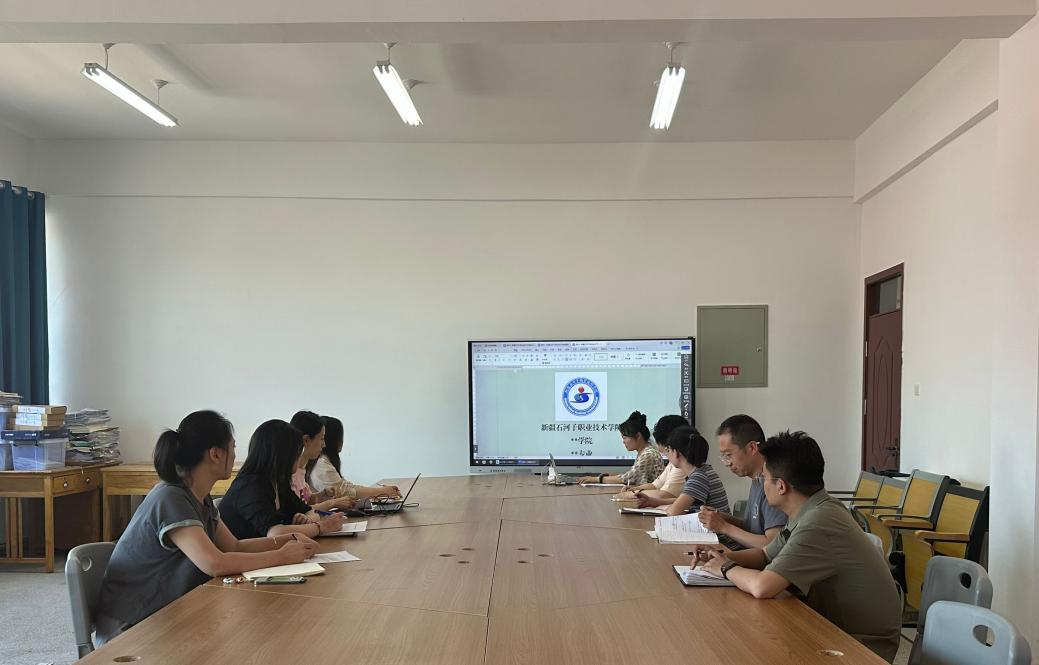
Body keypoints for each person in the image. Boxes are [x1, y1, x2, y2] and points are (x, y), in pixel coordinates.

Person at [94, 411, 318, 644]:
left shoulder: (200, 497)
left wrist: (287, 539)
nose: (235, 454)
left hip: (166, 616)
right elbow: (215, 563)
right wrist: (281, 556)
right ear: (215, 454)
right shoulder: (170, 498)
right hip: (131, 630)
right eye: (233, 448)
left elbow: (234, 546)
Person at [693, 431, 901, 662]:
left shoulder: (819, 521)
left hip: (861, 648)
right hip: (829, 629)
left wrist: (725, 568)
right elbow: (764, 555)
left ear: (781, 486)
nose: (762, 485)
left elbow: (763, 587)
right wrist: (720, 556)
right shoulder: (811, 508)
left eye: (764, 478)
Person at [219, 419, 346, 539]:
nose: (299, 456)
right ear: (284, 455)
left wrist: (306, 521)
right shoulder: (251, 485)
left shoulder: (278, 483)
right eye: (297, 451)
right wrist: (320, 527)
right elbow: (275, 533)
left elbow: (309, 511)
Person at [697, 414, 787, 549]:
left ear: (752, 448)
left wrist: (723, 527)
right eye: (723, 456)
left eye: (729, 455)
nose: (727, 463)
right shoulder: (756, 479)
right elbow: (751, 528)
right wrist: (720, 517)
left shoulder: (773, 483)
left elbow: (771, 545)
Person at [636, 425, 729, 517]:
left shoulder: (699, 477)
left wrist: (663, 507)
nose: (667, 454)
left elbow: (673, 513)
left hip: (715, 527)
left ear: (676, 453)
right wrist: (653, 502)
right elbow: (681, 501)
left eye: (669, 449)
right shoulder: (704, 470)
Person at [306, 415, 401, 501]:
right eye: (340, 436)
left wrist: (382, 491)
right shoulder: (321, 464)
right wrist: (382, 492)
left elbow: (347, 487)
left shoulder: (324, 461)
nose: (342, 441)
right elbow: (345, 492)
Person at [288, 410, 367, 511]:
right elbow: (300, 510)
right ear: (306, 440)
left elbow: (308, 499)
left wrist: (324, 494)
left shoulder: (301, 470)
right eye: (321, 439)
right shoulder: (290, 475)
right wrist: (333, 503)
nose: (324, 444)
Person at [613, 414, 689, 501]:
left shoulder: (681, 464)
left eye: (625, 437)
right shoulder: (673, 462)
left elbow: (664, 495)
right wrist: (634, 489)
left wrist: (629, 494)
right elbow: (655, 485)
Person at [579, 411, 665, 486]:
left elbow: (626, 478)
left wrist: (596, 479)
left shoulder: (648, 454)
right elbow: (633, 476)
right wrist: (614, 476)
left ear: (638, 436)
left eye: (625, 437)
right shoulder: (645, 451)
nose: (623, 442)